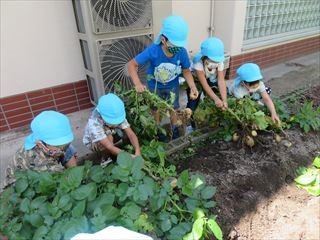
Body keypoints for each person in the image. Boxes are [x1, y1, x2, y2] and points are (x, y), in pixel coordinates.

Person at [128, 15, 199, 140]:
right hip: (154, 86)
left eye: (179, 45)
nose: (177, 48)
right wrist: (137, 84)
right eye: (174, 44)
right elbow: (132, 65)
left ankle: (175, 129)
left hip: (173, 86)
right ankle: (157, 130)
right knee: (155, 109)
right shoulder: (153, 51)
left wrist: (192, 86)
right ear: (163, 39)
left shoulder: (181, 52)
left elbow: (186, 71)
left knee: (174, 108)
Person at [5, 110, 77, 186]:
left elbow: (65, 150)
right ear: (40, 144)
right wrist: (69, 181)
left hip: (44, 163)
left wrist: (75, 173)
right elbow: (58, 177)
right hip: (19, 184)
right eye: (57, 146)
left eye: (66, 144)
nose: (62, 149)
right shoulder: (40, 161)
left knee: (68, 150)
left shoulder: (49, 145)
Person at [186, 37, 228, 131]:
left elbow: (221, 81)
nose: (215, 63)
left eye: (217, 61)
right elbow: (204, 85)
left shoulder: (220, 62)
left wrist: (223, 100)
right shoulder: (198, 63)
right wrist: (217, 99)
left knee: (215, 97)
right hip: (195, 80)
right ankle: (189, 126)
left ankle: (212, 122)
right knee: (193, 104)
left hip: (208, 78)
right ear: (205, 56)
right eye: (213, 60)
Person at [83, 93, 141, 160]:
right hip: (94, 141)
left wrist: (138, 151)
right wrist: (129, 157)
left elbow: (131, 134)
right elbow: (109, 146)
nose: (116, 124)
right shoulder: (94, 124)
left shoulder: (116, 113)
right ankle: (106, 158)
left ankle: (118, 150)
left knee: (124, 132)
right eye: (113, 122)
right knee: (105, 145)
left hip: (109, 131)